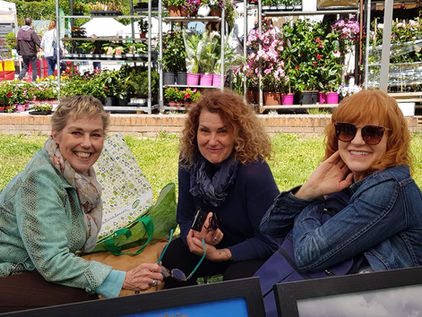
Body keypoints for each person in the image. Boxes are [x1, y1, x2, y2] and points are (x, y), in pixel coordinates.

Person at [0, 95, 163, 313]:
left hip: (35, 269)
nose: (87, 143)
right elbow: (51, 261)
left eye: (95, 135)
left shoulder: (79, 178)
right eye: (76, 132)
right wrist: (123, 279)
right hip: (11, 272)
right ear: (56, 135)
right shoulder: (40, 180)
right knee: (82, 301)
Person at [260, 89, 422, 274]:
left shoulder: (390, 190)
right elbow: (269, 229)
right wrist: (306, 191)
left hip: (383, 301)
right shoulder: (350, 180)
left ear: (391, 140)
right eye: (347, 130)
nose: (358, 141)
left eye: (372, 133)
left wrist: (310, 205)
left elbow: (307, 255)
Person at [161, 89, 280, 288]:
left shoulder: (254, 172)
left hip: (250, 251)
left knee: (236, 278)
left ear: (237, 133)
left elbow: (271, 240)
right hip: (210, 247)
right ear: (195, 131)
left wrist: (220, 255)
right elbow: (184, 216)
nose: (212, 141)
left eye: (222, 131)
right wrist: (193, 238)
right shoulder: (189, 162)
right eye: (205, 131)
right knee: (173, 255)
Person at [17, 17, 41, 81]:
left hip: (23, 52)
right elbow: (37, 41)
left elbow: (18, 42)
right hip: (31, 52)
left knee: (25, 67)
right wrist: (42, 46)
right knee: (34, 68)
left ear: (25, 22)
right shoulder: (31, 32)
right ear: (30, 23)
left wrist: (18, 50)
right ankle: (34, 81)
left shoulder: (19, 32)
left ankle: (19, 78)